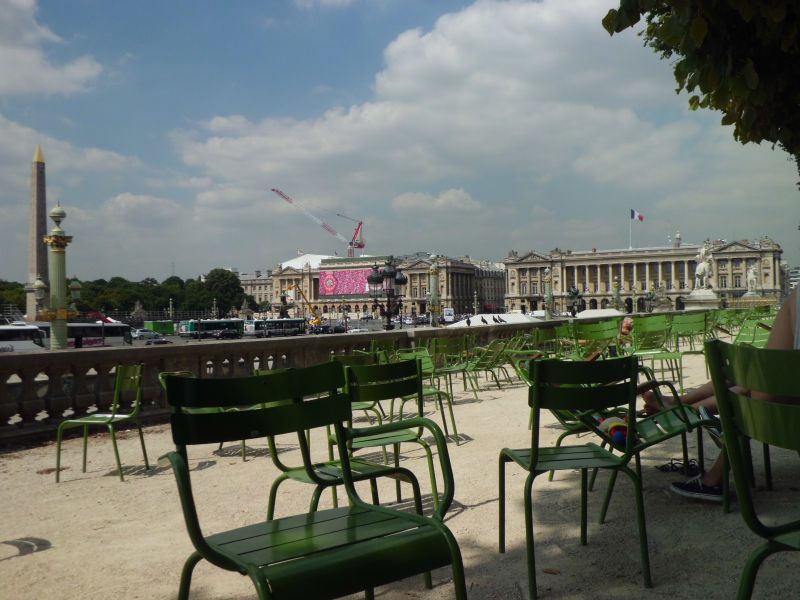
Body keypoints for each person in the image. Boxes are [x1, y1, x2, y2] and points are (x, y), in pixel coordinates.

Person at [644, 287, 798, 502]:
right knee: (751, 378)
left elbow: (771, 384)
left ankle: (685, 410)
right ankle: (679, 404)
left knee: (750, 386)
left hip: (779, 408)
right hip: (780, 393)